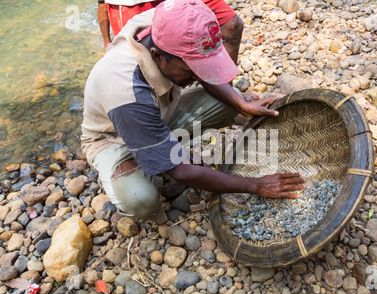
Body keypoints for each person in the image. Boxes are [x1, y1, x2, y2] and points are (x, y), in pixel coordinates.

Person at [82, 0, 306, 223]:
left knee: (228, 101)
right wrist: (256, 185)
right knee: (140, 199)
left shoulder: (165, 22)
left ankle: (157, 146)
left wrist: (241, 103)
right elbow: (181, 172)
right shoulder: (126, 91)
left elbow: (219, 40)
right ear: (157, 56)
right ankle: (148, 162)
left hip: (158, 114)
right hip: (114, 139)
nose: (198, 77)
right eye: (192, 70)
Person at [96, 0, 243, 67]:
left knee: (232, 25)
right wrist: (107, 42)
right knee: (144, 62)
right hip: (136, 4)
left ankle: (226, 92)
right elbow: (101, 3)